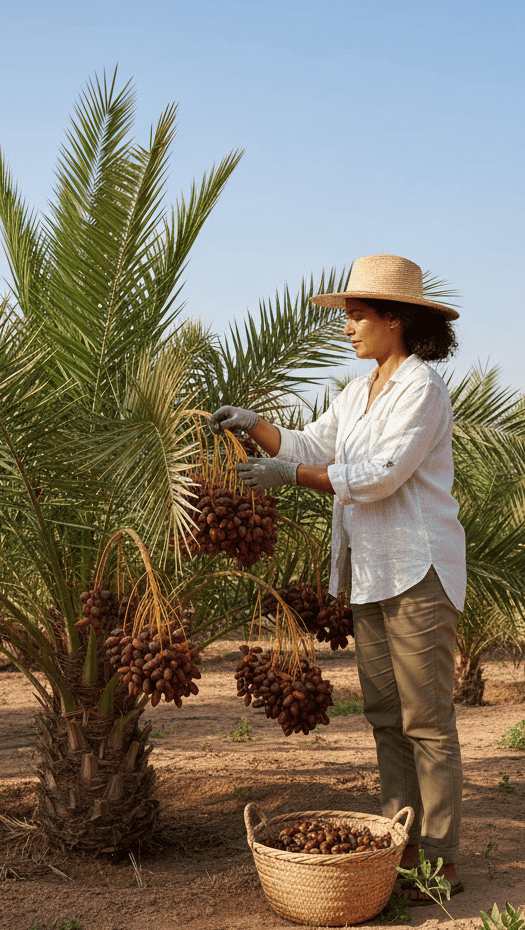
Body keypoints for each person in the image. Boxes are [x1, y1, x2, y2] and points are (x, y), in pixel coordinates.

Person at [210, 253, 467, 896]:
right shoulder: (359, 392)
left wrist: (288, 478)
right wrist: (256, 427)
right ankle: (396, 843)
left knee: (427, 720)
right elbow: (311, 445)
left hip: (418, 571)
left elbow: (380, 476)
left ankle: (439, 857)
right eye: (346, 317)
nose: (347, 328)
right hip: (371, 573)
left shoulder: (421, 390)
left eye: (356, 317)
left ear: (395, 319)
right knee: (385, 714)